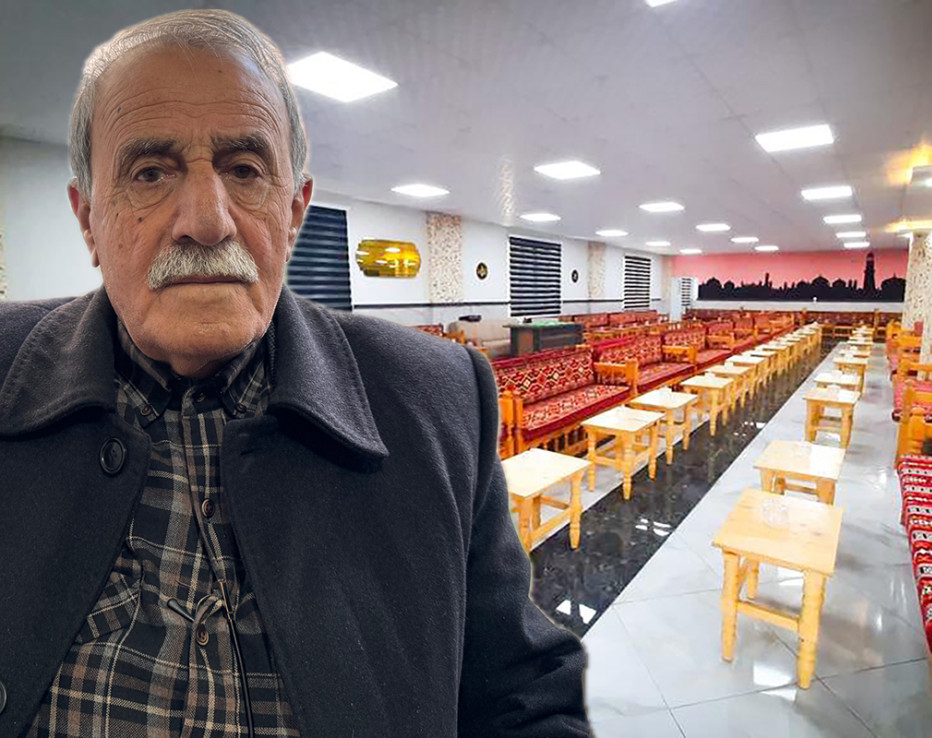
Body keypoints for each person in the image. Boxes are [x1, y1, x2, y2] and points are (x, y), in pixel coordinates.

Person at [0, 9, 588, 737]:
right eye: (150, 173)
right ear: (89, 218)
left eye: (245, 170)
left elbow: (521, 695)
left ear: (294, 211)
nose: (207, 221)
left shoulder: (439, 399)